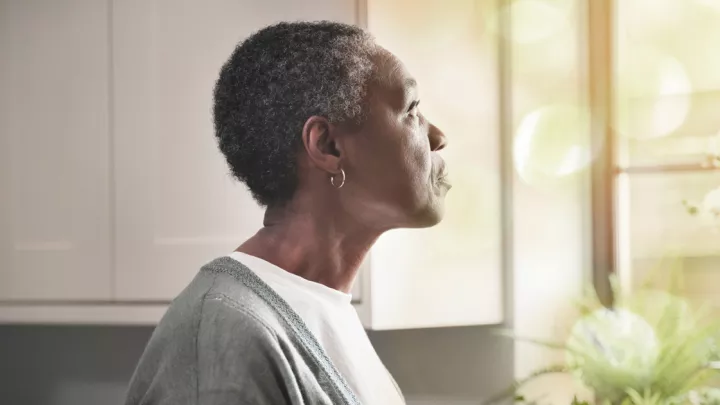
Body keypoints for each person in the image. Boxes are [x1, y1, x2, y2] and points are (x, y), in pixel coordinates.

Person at [125, 20, 450, 405]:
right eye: (411, 109)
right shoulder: (224, 333)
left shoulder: (323, 308)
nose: (437, 137)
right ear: (328, 146)